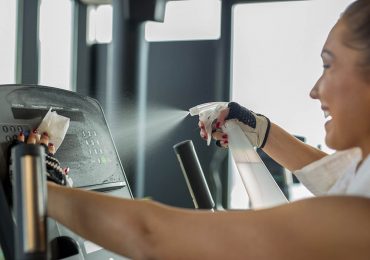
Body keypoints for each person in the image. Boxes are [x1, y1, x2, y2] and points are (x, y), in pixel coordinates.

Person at [14, 0, 370, 259]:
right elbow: (336, 178)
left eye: (329, 65)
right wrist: (259, 131)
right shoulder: (358, 187)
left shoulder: (357, 219)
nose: (315, 90)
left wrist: (34, 184)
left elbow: (149, 235)